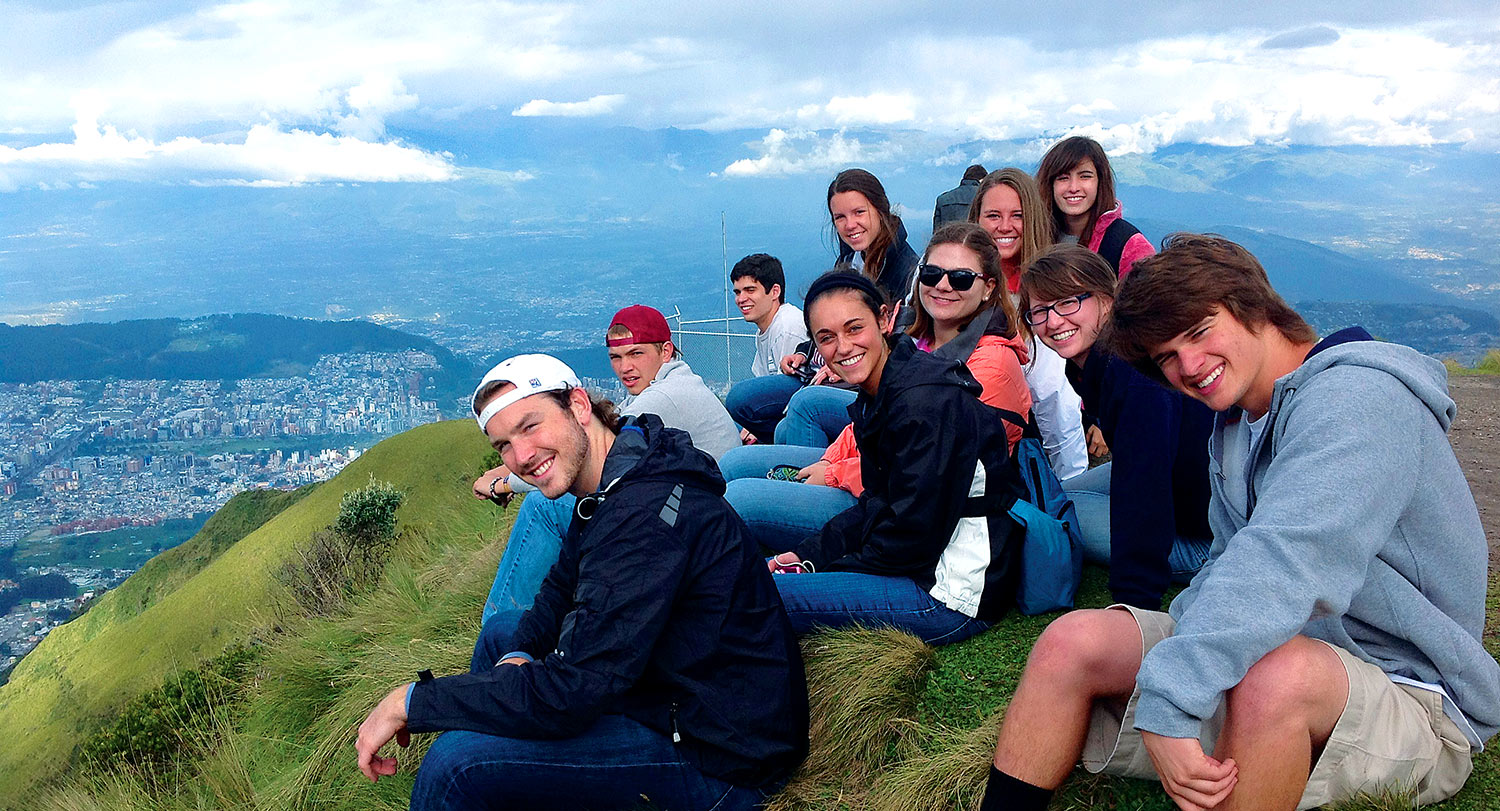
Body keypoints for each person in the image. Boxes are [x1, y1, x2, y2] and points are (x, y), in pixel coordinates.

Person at [981, 234, 1500, 811]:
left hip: (1414, 693)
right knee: (1072, 642)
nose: (1189, 367)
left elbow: (1286, 563)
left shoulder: (1359, 399)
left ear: (1252, 306)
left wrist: (1173, 696)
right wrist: (1172, 649)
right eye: (1167, 357)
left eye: (1200, 332)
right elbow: (1226, 565)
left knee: (1274, 679)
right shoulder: (1236, 423)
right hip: (1278, 647)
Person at [356, 354, 808, 811]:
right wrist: (520, 653)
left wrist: (411, 702)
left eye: (530, 426)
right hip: (672, 686)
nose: (521, 457)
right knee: (503, 634)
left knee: (457, 765)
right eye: (503, 446)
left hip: (720, 755)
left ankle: (480, 775)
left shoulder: (642, 516)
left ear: (577, 405)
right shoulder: (620, 471)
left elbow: (570, 691)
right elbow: (560, 589)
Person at [723, 223, 1033, 552]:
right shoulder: (919, 341)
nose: (942, 286)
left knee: (741, 499)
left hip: (915, 509)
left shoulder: (991, 369)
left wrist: (833, 476)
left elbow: (926, 473)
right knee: (734, 464)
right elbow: (873, 421)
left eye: (959, 278)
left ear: (988, 288)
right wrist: (831, 460)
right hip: (878, 474)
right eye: (931, 274)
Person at [762, 270, 1027, 646]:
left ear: (884, 319)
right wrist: (806, 556)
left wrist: (829, 569)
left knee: (763, 598)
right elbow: (880, 501)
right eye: (827, 338)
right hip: (926, 564)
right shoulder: (886, 390)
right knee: (758, 581)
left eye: (854, 328)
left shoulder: (922, 403)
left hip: (952, 594)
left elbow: (911, 536)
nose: (843, 347)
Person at [471, 304, 740, 622]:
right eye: (616, 357)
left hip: (690, 517)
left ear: (665, 351)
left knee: (545, 507)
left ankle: (502, 620)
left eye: (636, 354)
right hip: (686, 503)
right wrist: (504, 468)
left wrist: (502, 482)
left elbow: (580, 455)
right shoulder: (668, 384)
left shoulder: (662, 398)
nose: (625, 367)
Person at [1019, 244, 1212, 610]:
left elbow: (1144, 486)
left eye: (1069, 302)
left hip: (1207, 539)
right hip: (1183, 492)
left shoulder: (1133, 375)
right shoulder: (1092, 363)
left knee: (1052, 510)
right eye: (1040, 311)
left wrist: (1132, 603)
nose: (1054, 321)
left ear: (1107, 301)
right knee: (1051, 496)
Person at [968, 168, 1089, 480]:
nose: (1005, 226)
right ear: (977, 220)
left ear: (1032, 218)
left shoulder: (1040, 297)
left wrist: (1070, 485)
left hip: (994, 456)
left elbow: (1054, 399)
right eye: (993, 215)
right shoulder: (953, 281)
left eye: (1017, 215)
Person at [1036, 135, 1155, 275]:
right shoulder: (1036, 238)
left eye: (1085, 176)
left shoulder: (1129, 246)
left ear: (1100, 181)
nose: (1073, 187)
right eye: (1063, 178)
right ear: (1050, 184)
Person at [723, 254, 809, 444]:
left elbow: (793, 390)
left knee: (739, 399)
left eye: (750, 290)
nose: (741, 299)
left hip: (795, 413)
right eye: (737, 292)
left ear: (774, 292)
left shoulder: (788, 327)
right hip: (781, 411)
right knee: (727, 423)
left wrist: (755, 428)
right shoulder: (765, 330)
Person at [933, 163, 987, 229]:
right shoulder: (985, 197)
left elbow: (936, 232)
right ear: (982, 180)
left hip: (949, 238)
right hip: (974, 238)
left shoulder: (942, 199)